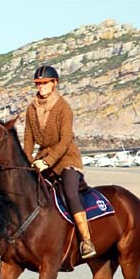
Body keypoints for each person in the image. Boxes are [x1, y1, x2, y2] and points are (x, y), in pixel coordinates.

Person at [22, 65, 96, 259]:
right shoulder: (31, 109)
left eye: (44, 83)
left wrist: (47, 162)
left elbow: (65, 140)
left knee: (71, 194)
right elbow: (28, 141)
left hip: (66, 159)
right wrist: (29, 161)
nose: (40, 87)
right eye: (38, 84)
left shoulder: (63, 108)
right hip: (42, 159)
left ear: (54, 83)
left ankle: (87, 240)